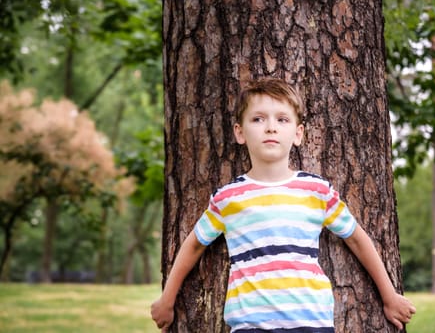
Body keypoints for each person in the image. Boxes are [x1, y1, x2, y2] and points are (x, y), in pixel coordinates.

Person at [151, 78, 416, 332]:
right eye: (258, 119)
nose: (270, 127)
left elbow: (357, 239)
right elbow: (195, 243)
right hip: (251, 326)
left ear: (298, 133)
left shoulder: (317, 191)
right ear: (240, 132)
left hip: (312, 323)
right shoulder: (228, 198)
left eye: (282, 119)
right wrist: (168, 300)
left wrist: (389, 295)